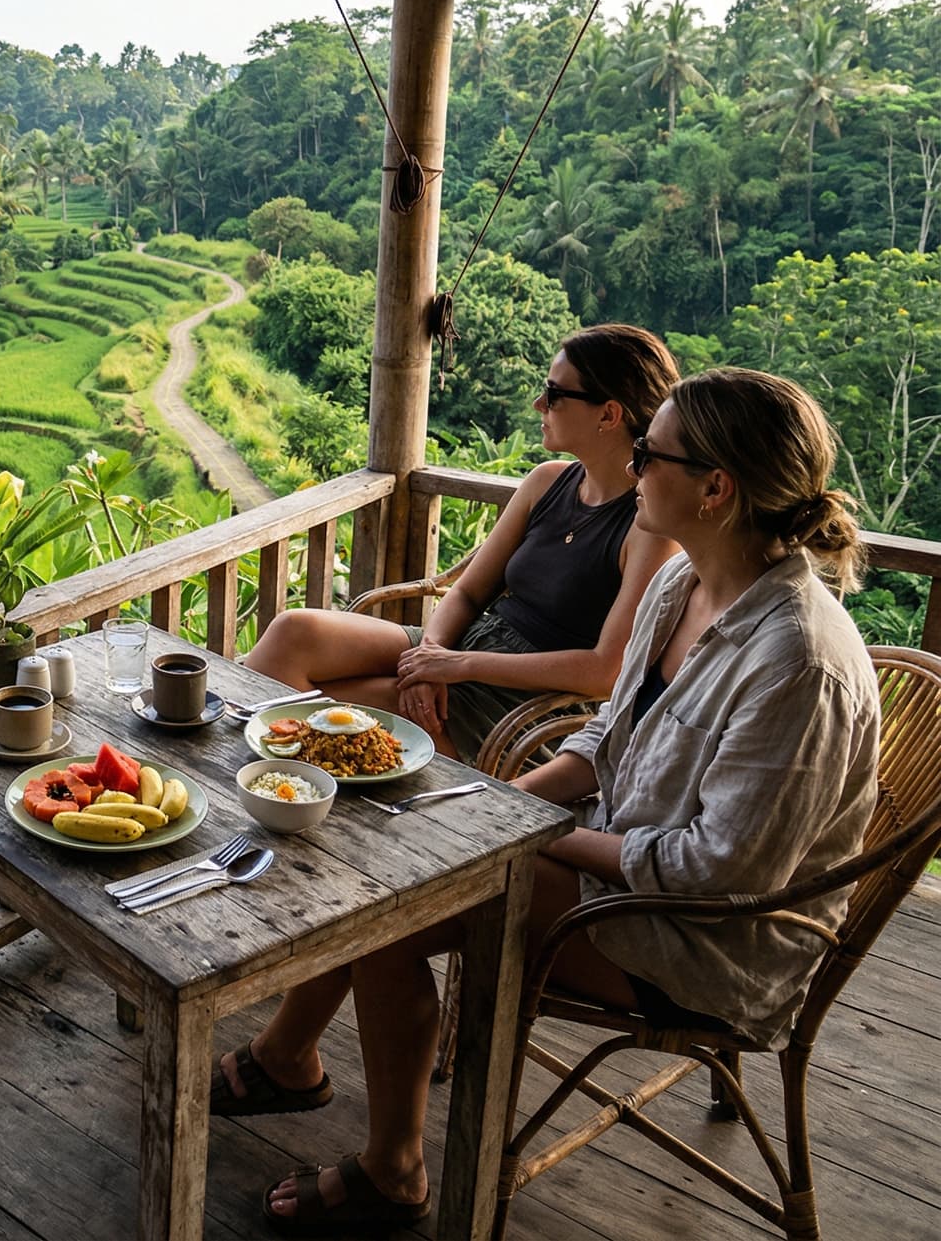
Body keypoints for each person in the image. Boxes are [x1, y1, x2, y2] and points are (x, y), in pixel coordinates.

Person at [220, 368, 880, 1235]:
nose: (635, 465)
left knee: (394, 903)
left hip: (711, 940)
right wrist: (499, 807)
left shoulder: (799, 660)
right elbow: (604, 738)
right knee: (404, 862)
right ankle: (289, 1056)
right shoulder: (684, 587)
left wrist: (531, 837)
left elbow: (718, 872)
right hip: (624, 863)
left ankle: (392, 1167)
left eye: (651, 452)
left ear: (716, 489)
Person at [245, 324, 681, 761]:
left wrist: (458, 666)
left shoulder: (649, 525)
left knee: (329, 707)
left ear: (608, 415)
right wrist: (431, 656)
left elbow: (606, 670)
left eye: (554, 394)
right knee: (292, 635)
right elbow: (470, 592)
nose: (538, 404)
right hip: (469, 643)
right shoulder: (547, 481)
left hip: (525, 696)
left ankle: (309, 793)